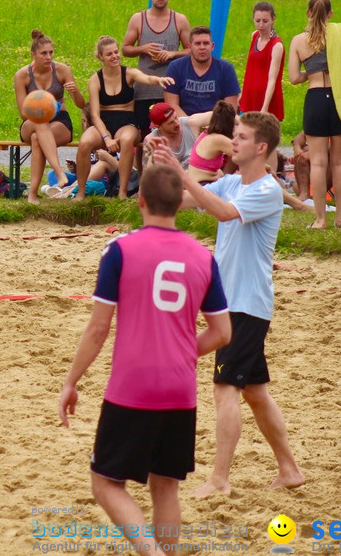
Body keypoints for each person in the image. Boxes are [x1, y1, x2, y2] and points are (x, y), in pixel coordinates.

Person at [58, 164, 230, 553]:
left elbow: (99, 329)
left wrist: (71, 381)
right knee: (165, 486)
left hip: (133, 387)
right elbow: (222, 333)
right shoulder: (203, 257)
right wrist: (185, 351)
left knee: (105, 482)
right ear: (180, 204)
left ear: (140, 200)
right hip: (180, 387)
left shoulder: (120, 250)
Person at [154, 111, 305, 497]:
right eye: (233, 134)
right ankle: (289, 469)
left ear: (261, 147)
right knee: (254, 392)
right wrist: (162, 170)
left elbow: (223, 213)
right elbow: (184, 202)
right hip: (234, 304)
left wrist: (183, 171)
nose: (232, 141)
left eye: (240, 136)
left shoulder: (266, 190)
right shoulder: (233, 182)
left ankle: (219, 479)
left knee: (225, 389)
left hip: (246, 306)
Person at [288, 0, 341, 229]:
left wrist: (310, 72)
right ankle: (340, 218)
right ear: (330, 14)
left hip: (316, 98)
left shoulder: (299, 41)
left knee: (319, 163)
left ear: (308, 13)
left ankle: (321, 219)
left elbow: (293, 78)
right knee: (340, 162)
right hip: (340, 100)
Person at [73, 36, 173, 199]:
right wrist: (106, 138)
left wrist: (159, 80)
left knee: (126, 140)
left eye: (116, 52)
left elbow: (146, 78)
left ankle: (122, 192)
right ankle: (81, 192)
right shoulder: (95, 79)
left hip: (126, 121)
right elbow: (95, 114)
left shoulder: (128, 73)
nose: (114, 56)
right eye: (109, 54)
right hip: (103, 121)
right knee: (84, 143)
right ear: (100, 57)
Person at [13, 29, 86, 203]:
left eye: (51, 53)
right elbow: (23, 112)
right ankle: (60, 173)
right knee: (39, 123)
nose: (48, 57)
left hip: (59, 120)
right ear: (33, 55)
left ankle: (32, 194)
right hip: (31, 120)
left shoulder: (61, 70)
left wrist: (75, 93)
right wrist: (43, 106)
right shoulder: (22, 75)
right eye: (43, 53)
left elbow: (81, 104)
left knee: (38, 139)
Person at [123, 0, 191, 134]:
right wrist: (143, 49)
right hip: (144, 90)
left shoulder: (179, 20)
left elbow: (191, 50)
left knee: (173, 133)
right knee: (144, 136)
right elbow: (125, 49)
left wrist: (171, 54)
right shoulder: (138, 19)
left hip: (172, 91)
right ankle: (140, 160)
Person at [164, 27, 240, 117]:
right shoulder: (176, 67)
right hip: (184, 123)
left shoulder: (226, 69)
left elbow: (231, 108)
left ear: (212, 46)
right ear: (189, 47)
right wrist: (190, 125)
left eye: (206, 43)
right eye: (197, 44)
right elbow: (172, 105)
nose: (202, 47)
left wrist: (212, 126)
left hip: (216, 123)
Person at [239, 2, 285, 120]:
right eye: (257, 20)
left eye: (265, 21)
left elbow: (273, 79)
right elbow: (250, 68)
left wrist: (264, 108)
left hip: (266, 97)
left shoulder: (276, 45)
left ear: (273, 19)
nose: (261, 25)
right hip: (251, 93)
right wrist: (243, 94)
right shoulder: (254, 36)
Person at [188, 101, 237, 184]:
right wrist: (266, 168)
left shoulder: (204, 134)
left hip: (198, 182)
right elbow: (244, 156)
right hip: (202, 184)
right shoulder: (218, 139)